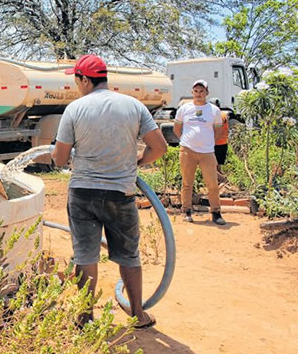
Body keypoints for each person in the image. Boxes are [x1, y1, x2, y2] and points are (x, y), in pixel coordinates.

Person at [51, 54, 168, 329]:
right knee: (128, 255)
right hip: (121, 193)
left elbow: (58, 158)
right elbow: (159, 147)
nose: (76, 86)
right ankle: (138, 314)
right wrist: (137, 162)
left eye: (76, 80)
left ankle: (84, 317)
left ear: (84, 79)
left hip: (83, 194)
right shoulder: (133, 106)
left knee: (85, 256)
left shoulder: (75, 109)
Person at [173, 80, 226, 225]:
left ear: (207, 93)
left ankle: (216, 212)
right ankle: (187, 211)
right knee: (187, 183)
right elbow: (177, 129)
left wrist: (207, 143)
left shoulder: (214, 110)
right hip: (187, 151)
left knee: (212, 184)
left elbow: (218, 131)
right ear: (192, 93)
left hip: (207, 152)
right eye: (196, 91)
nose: (198, 94)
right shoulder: (184, 109)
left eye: (201, 91)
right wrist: (186, 141)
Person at [210, 98, 229, 176]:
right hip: (223, 142)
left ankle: (217, 180)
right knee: (219, 164)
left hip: (215, 143)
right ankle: (219, 180)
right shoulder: (224, 115)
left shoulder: (213, 115)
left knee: (213, 164)